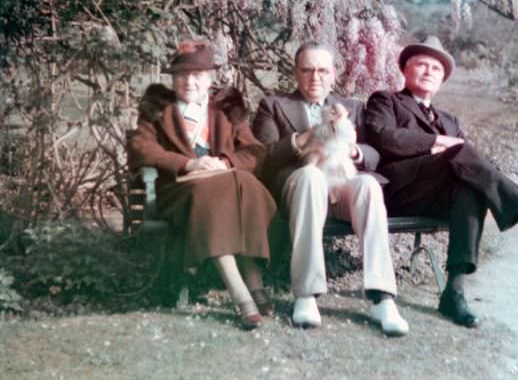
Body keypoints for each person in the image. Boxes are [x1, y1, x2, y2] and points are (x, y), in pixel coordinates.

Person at [364, 35, 518, 328]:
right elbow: (383, 136)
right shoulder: (386, 100)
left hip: (435, 195)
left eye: (436, 68)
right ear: (405, 70)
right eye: (421, 64)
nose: (429, 71)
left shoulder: (449, 118)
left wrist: (449, 144)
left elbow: (469, 165)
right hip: (398, 190)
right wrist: (438, 141)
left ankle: (454, 293)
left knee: (471, 188)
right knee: (461, 151)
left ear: (442, 80)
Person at [252, 41, 409, 336]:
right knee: (310, 176)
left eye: (323, 70)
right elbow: (262, 158)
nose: (315, 77)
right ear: (296, 73)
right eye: (307, 70)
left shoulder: (350, 107)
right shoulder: (273, 105)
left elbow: (374, 155)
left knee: (368, 185)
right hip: (300, 190)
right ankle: (307, 295)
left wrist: (353, 150)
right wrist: (301, 140)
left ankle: (382, 297)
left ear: (333, 74)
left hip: (341, 185)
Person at [128, 40, 276, 330]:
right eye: (182, 75)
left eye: (197, 75)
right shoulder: (158, 107)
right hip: (181, 189)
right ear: (172, 79)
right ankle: (240, 290)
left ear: (209, 79)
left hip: (225, 184)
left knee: (246, 183)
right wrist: (188, 164)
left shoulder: (227, 108)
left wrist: (224, 162)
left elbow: (255, 150)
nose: (189, 82)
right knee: (211, 193)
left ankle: (252, 273)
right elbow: (140, 147)